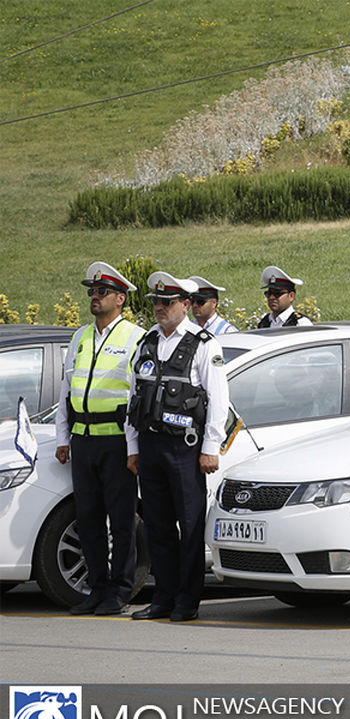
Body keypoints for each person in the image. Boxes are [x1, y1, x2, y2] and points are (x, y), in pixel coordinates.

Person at [126, 271, 230, 622]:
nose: (159, 308)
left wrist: (210, 446)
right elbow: (134, 396)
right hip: (151, 446)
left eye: (167, 302)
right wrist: (132, 447)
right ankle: (164, 598)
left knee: (189, 527)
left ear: (185, 305)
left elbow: (218, 399)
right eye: (156, 302)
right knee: (157, 526)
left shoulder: (204, 344)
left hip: (186, 449)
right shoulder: (147, 341)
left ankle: (188, 601)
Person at [53, 261, 146, 616]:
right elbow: (66, 389)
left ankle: (120, 591)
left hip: (117, 441)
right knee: (88, 517)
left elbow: (138, 397)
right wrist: (64, 436)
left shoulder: (135, 337)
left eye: (102, 292)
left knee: (121, 520)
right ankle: (97, 587)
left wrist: (134, 448)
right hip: (83, 439)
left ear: (120, 299)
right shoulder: (80, 336)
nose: (94, 297)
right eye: (92, 292)